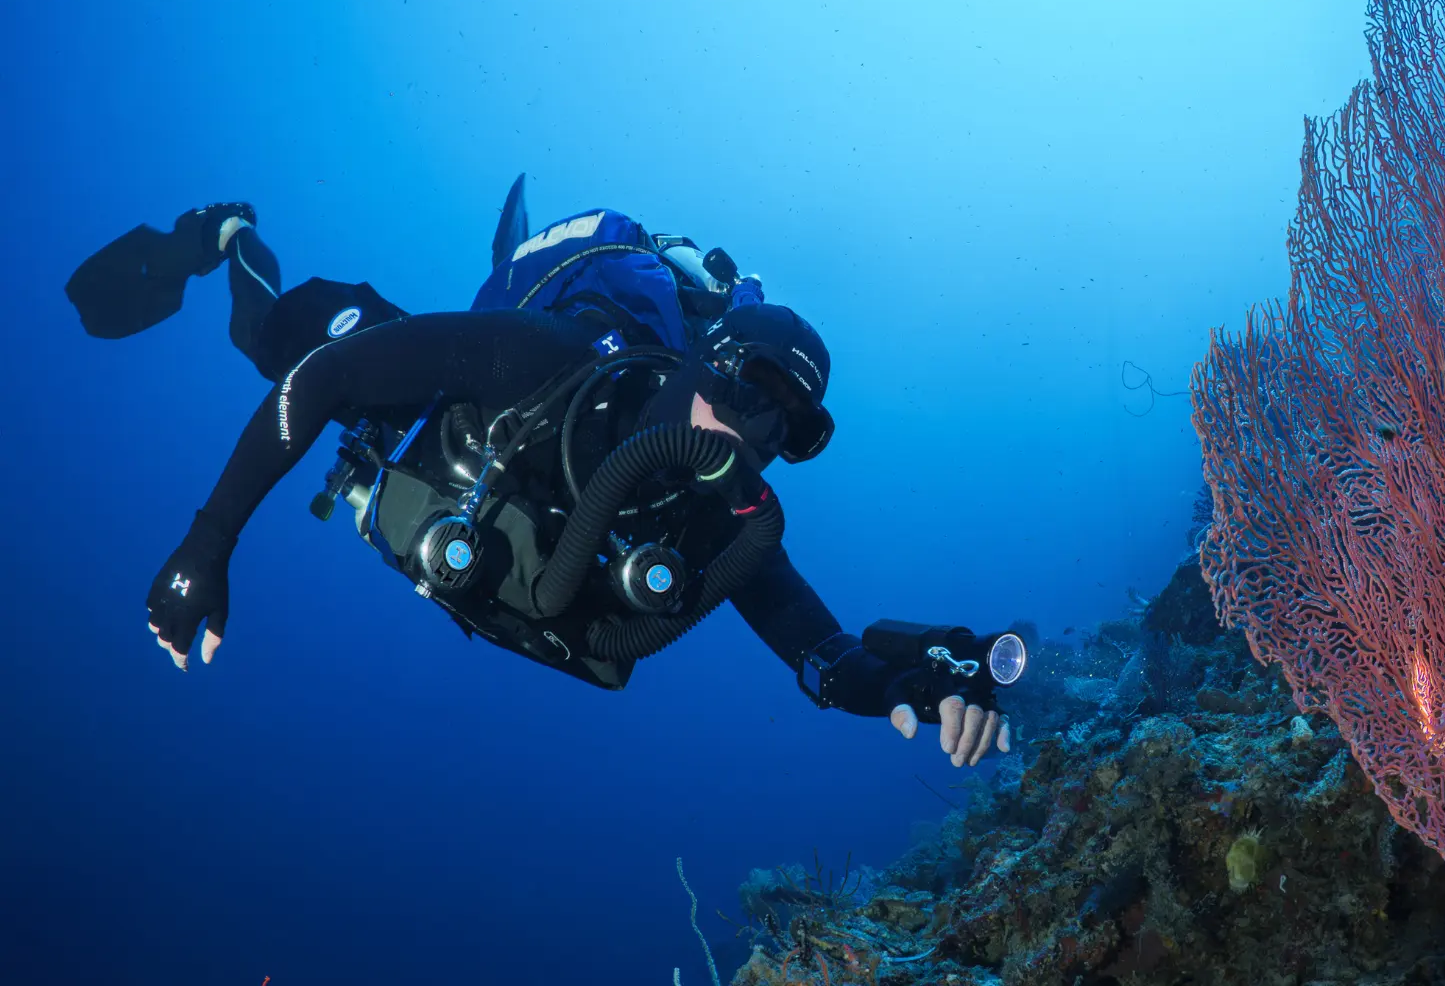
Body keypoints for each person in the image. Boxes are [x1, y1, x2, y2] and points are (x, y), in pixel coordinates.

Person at [65, 187, 1022, 767]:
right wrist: (210, 538)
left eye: (791, 429)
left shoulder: (724, 524)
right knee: (275, 340)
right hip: (456, 412)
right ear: (705, 356)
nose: (757, 431)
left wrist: (920, 678)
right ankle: (226, 233)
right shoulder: (548, 357)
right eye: (751, 389)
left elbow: (826, 656)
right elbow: (326, 383)